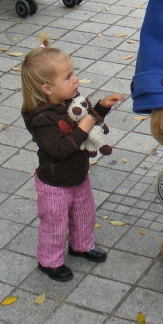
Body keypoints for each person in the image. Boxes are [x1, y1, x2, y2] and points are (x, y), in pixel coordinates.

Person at [21, 33, 124, 282]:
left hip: (78, 175)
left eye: (73, 73)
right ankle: (49, 261)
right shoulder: (41, 119)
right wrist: (87, 124)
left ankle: (81, 245)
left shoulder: (69, 102)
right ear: (47, 88)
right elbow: (62, 148)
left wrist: (100, 108)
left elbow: (84, 118)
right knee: (55, 225)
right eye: (67, 77)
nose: (75, 79)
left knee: (84, 213)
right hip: (54, 183)